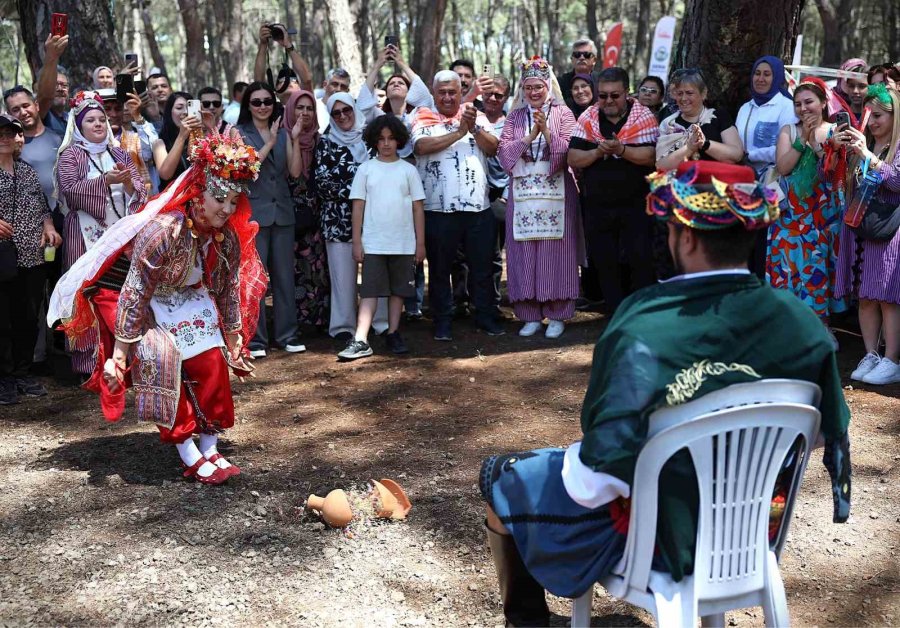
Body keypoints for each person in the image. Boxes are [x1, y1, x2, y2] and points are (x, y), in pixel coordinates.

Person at [479, 161, 852, 626]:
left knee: (503, 479)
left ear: (687, 237)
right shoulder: (803, 325)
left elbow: (595, 477)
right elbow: (819, 433)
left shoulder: (643, 325)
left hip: (655, 542)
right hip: (751, 532)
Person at [47, 135, 266, 484]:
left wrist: (234, 336)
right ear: (199, 193)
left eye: (233, 201)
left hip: (185, 296)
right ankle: (188, 452)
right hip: (136, 296)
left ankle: (210, 446)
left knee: (212, 361)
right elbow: (135, 291)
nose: (226, 209)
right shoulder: (165, 231)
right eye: (219, 198)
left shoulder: (225, 237)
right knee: (160, 357)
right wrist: (120, 354)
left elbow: (227, 290)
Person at [55, 91, 147, 377]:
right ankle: (89, 363)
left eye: (101, 119)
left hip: (120, 233)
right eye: (90, 120)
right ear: (79, 125)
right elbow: (70, 191)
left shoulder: (118, 152)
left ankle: (126, 356)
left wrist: (128, 183)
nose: (97, 124)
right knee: (86, 292)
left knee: (122, 290)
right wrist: (105, 181)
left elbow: (140, 190)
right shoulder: (71, 155)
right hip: (84, 235)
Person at [412, 70, 503, 340]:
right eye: (442, 92)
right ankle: (442, 320)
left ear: (461, 92)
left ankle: (485, 316)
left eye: (453, 92)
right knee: (440, 269)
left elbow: (493, 147)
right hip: (438, 211)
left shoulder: (476, 115)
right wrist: (459, 132)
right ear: (434, 93)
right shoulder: (423, 115)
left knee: (482, 267)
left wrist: (473, 128)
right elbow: (421, 146)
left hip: (478, 208)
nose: (448, 97)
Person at [497, 56, 579, 339]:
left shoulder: (564, 114)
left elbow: (570, 149)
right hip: (523, 194)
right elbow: (503, 152)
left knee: (557, 251)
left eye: (538, 87)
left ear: (548, 87)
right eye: (528, 87)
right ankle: (529, 314)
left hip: (557, 191)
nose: (533, 92)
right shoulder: (515, 116)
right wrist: (530, 136)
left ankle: (557, 314)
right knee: (523, 252)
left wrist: (546, 132)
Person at [568, 66, 660, 315]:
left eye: (615, 95)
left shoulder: (643, 117)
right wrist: (598, 152)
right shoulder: (588, 118)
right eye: (603, 95)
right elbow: (573, 157)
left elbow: (652, 156)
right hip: (598, 206)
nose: (608, 100)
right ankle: (614, 314)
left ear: (627, 93)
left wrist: (621, 150)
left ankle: (641, 314)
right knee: (605, 262)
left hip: (636, 205)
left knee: (640, 259)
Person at [338, 116, 425, 360]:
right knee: (370, 291)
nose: (386, 144)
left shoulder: (409, 170)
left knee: (398, 291)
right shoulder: (366, 169)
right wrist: (357, 241)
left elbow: (418, 208)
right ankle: (361, 339)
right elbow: (358, 207)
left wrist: (420, 243)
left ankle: (393, 332)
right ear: (374, 141)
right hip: (374, 243)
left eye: (391, 138)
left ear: (399, 140)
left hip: (403, 244)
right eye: (381, 139)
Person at [769, 77, 848, 337]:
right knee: (790, 268)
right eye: (798, 104)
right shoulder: (788, 131)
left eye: (809, 102)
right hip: (791, 217)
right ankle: (789, 328)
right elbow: (783, 167)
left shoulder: (835, 131)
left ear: (823, 103)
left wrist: (817, 143)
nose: (803, 108)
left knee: (819, 267)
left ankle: (822, 328)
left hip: (824, 216)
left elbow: (831, 171)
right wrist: (803, 136)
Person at [835, 84, 900, 384]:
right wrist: (836, 152)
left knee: (886, 296)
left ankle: (892, 360)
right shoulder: (862, 142)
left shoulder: (896, 147)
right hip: (858, 226)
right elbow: (831, 178)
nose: (872, 121)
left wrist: (869, 157)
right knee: (864, 296)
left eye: (879, 115)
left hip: (887, 229)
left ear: (894, 116)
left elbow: (897, 181)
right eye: (868, 114)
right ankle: (871, 354)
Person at [237, 81, 305, 357]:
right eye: (257, 102)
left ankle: (288, 335)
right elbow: (246, 171)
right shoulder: (239, 133)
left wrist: (294, 139)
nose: (263, 106)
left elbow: (295, 172)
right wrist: (270, 143)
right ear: (248, 105)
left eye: (267, 101)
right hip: (254, 215)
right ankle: (255, 340)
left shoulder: (285, 132)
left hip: (283, 214)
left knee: (285, 277)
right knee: (255, 278)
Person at [314, 93, 389, 342]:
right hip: (338, 220)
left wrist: (358, 187)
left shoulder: (370, 139)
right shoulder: (325, 143)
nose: (343, 116)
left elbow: (384, 173)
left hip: (374, 219)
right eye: (336, 113)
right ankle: (343, 326)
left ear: (355, 109)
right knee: (342, 278)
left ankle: (380, 322)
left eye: (347, 110)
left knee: (377, 273)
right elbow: (323, 184)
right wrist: (362, 189)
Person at [0, 114, 62, 404]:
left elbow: (42, 207)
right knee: (2, 320)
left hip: (32, 255)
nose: (5, 138)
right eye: (0, 133)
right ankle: (4, 377)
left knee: (27, 317)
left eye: (10, 132)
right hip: (3, 256)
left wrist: (49, 227)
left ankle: (22, 372)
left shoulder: (26, 171)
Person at [282, 90, 330, 331]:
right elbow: (294, 174)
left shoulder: (321, 140)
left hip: (315, 215)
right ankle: (293, 321)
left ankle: (318, 320)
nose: (305, 113)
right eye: (299, 107)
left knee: (316, 267)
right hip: (288, 215)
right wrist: (294, 138)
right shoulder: (281, 137)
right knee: (291, 268)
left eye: (309, 108)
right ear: (290, 110)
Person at [656, 69, 744, 170]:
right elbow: (661, 165)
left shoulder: (718, 117)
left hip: (716, 179)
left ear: (703, 94)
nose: (683, 98)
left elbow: (736, 154)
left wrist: (704, 143)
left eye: (689, 93)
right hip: (679, 180)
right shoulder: (669, 124)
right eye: (679, 93)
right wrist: (689, 148)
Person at [357, 44, 433, 160]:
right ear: (386, 93)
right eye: (392, 83)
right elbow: (362, 105)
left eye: (401, 83)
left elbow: (425, 99)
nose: (396, 84)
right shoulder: (379, 117)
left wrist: (401, 63)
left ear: (410, 92)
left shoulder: (416, 115)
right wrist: (377, 66)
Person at [736, 56, 797, 174]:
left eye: (767, 74)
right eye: (757, 73)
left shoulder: (788, 107)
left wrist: (751, 156)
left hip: (773, 177)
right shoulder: (745, 108)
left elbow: (787, 149)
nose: (760, 79)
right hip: (743, 174)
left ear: (777, 77)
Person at [151, 91, 201, 190]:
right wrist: (181, 136)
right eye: (179, 108)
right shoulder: (159, 143)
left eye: (189, 108)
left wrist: (210, 127)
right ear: (169, 113)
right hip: (174, 196)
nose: (185, 112)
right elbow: (165, 174)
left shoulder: (200, 138)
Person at [557, 39, 601, 112]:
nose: (581, 58)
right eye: (577, 55)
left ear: (594, 60)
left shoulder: (602, 80)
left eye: (587, 55)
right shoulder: (560, 83)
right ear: (572, 59)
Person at [833, 58, 868, 127]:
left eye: (862, 86)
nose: (855, 91)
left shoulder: (874, 117)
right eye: (851, 86)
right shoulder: (837, 116)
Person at [316, 69, 352, 133]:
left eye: (343, 86)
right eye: (335, 84)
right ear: (325, 85)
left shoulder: (351, 113)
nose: (338, 89)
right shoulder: (313, 108)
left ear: (347, 91)